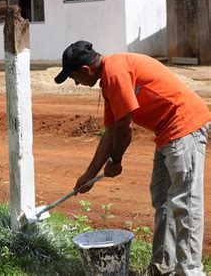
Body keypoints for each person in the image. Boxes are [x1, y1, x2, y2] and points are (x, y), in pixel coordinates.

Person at [54, 40, 210, 275]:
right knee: (163, 199)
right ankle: (162, 267)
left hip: (184, 126)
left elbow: (126, 128)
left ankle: (190, 271)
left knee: (184, 202)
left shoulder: (115, 72)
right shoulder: (108, 81)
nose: (76, 83)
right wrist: (89, 174)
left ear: (86, 70)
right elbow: (111, 131)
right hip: (167, 132)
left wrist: (116, 160)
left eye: (75, 77)